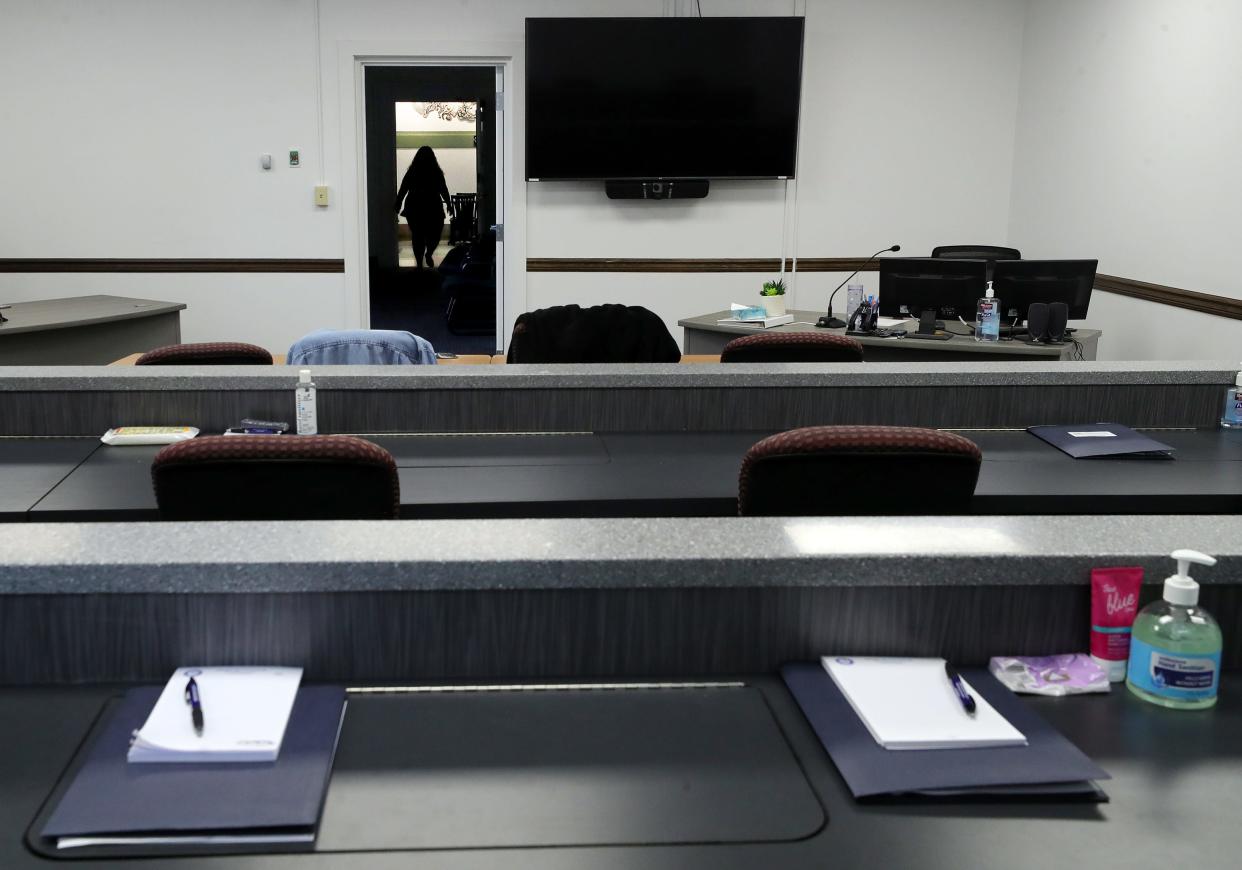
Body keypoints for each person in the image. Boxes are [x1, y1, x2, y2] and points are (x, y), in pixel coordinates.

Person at [395, 146, 453, 269]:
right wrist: (448, 204)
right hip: (433, 207)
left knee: (417, 236)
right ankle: (427, 254)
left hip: (414, 208)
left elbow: (403, 188)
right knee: (435, 234)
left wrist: (398, 203)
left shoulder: (412, 171)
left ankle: (420, 264)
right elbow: (443, 189)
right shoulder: (436, 172)